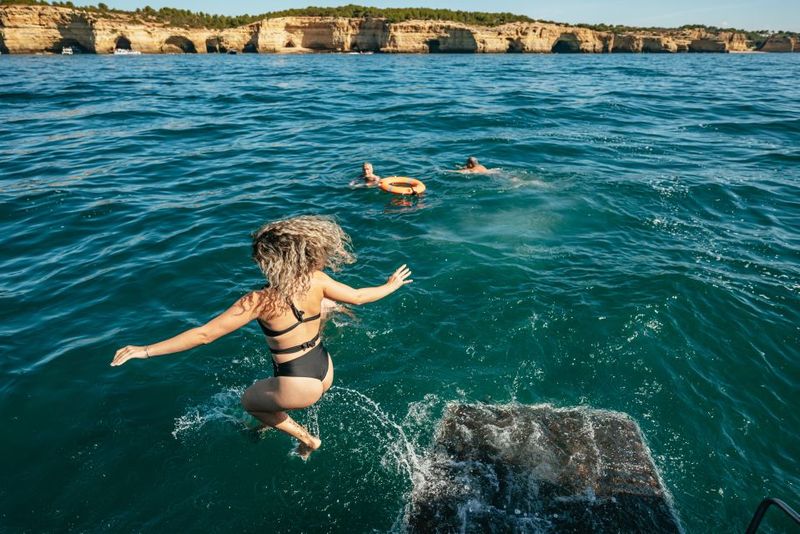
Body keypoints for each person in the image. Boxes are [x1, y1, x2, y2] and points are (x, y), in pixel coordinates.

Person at [111, 215, 413, 458]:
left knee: (249, 403)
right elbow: (359, 296)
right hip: (323, 369)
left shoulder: (257, 301)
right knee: (321, 312)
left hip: (298, 385)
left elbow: (203, 335)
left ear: (273, 262)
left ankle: (307, 439)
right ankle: (275, 413)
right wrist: (391, 284)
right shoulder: (317, 279)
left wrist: (145, 350)